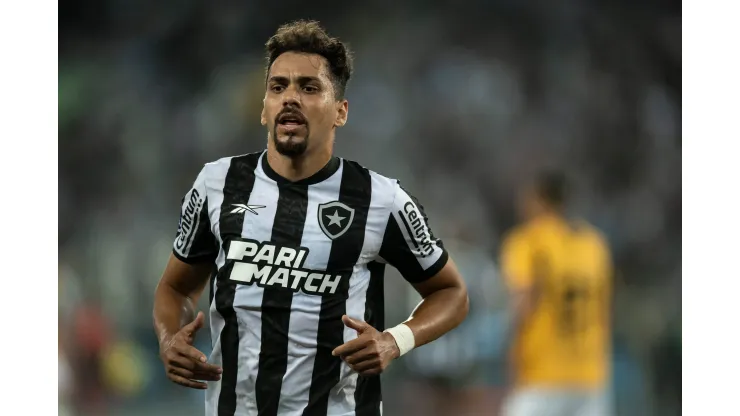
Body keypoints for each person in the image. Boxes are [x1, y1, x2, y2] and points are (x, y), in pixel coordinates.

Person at [152, 20, 469, 416]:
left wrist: (395, 340)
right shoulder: (217, 183)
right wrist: (169, 339)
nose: (290, 98)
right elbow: (176, 289)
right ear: (264, 110)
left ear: (340, 112)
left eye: (308, 87)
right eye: (278, 86)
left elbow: (451, 293)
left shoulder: (381, 199)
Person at [499, 171, 613, 416]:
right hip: (589, 373)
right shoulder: (594, 244)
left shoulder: (528, 242)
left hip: (542, 373)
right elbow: (605, 311)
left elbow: (524, 302)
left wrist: (510, 356)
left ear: (538, 200)